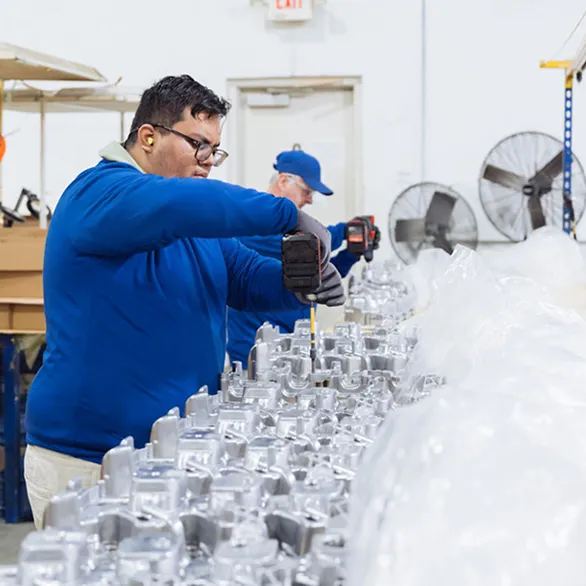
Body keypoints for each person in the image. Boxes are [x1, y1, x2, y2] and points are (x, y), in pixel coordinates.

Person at [23, 75, 345, 529]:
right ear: (148, 136)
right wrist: (286, 213)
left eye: (215, 150)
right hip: (88, 460)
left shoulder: (185, 218)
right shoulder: (98, 194)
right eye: (198, 145)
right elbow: (182, 203)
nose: (208, 162)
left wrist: (297, 280)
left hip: (169, 455)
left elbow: (244, 275)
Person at [227, 149, 380, 367]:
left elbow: (314, 276)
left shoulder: (290, 228)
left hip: (292, 346)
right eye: (306, 191)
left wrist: (351, 254)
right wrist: (344, 231)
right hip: (254, 351)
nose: (309, 200)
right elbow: (304, 248)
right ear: (283, 180)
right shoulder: (253, 222)